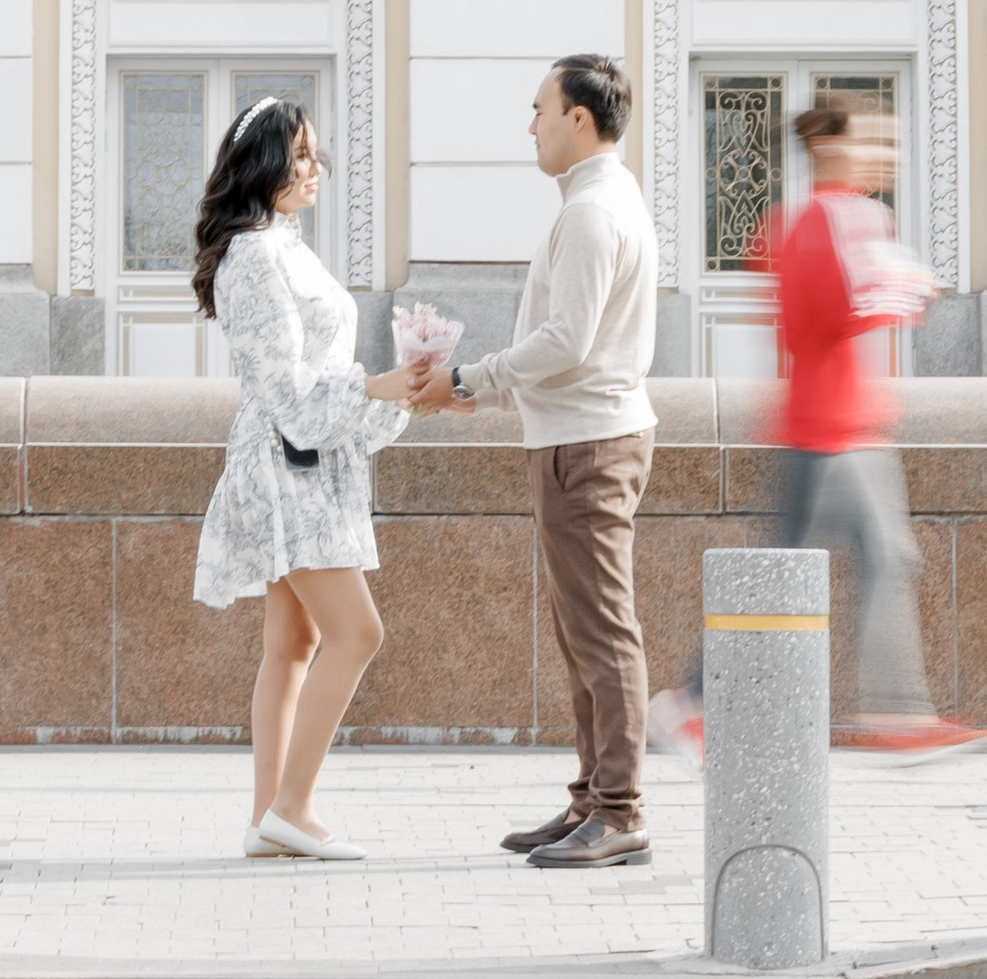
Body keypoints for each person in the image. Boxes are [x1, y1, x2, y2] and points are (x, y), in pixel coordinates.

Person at [651, 108, 987, 768]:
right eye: (873, 140)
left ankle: (694, 701)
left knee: (801, 572)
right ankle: (893, 715)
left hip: (839, 424)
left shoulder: (828, 220)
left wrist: (899, 288)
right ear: (828, 146)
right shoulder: (823, 220)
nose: (886, 154)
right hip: (828, 429)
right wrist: (903, 287)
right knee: (857, 565)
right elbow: (828, 313)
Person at [411, 54, 660, 870]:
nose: (531, 126)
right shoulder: (601, 201)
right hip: (579, 437)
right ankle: (592, 799)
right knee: (582, 631)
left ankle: (618, 810)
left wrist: (469, 381)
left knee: (602, 633)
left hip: (587, 442)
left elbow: (568, 341)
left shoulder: (592, 212)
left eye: (539, 110)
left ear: (579, 119)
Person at [193, 95, 428, 863]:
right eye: (300, 155)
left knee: (292, 641)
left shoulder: (278, 244)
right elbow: (290, 396)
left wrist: (391, 396)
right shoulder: (257, 254)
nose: (315, 167)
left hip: (306, 464)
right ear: (262, 165)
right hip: (288, 469)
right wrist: (386, 388)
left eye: (316, 153)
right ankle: (291, 807)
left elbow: (314, 383)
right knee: (357, 633)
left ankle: (271, 815)